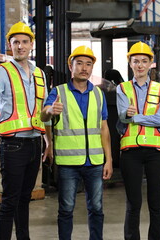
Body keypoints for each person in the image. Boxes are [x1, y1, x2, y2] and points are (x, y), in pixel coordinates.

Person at [0, 21, 53, 240]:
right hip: (13, 145)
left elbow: (44, 112)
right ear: (10, 45)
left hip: (35, 144)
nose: (20, 46)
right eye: (15, 42)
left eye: (24, 42)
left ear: (31, 45)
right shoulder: (2, 72)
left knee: (24, 199)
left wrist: (48, 143)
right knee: (10, 201)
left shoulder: (40, 74)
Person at [40, 45, 113, 240]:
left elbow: (104, 128)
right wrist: (49, 110)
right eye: (79, 63)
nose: (84, 68)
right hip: (68, 164)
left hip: (95, 162)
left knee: (96, 208)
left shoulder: (98, 94)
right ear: (70, 66)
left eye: (88, 64)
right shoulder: (58, 92)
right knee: (66, 208)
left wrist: (109, 160)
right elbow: (44, 116)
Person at [116, 41, 160, 240]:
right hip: (131, 153)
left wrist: (135, 117)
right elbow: (122, 118)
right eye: (136, 61)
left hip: (156, 153)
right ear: (130, 63)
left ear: (150, 64)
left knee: (157, 203)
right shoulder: (122, 88)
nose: (140, 65)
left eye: (144, 61)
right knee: (133, 203)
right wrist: (136, 117)